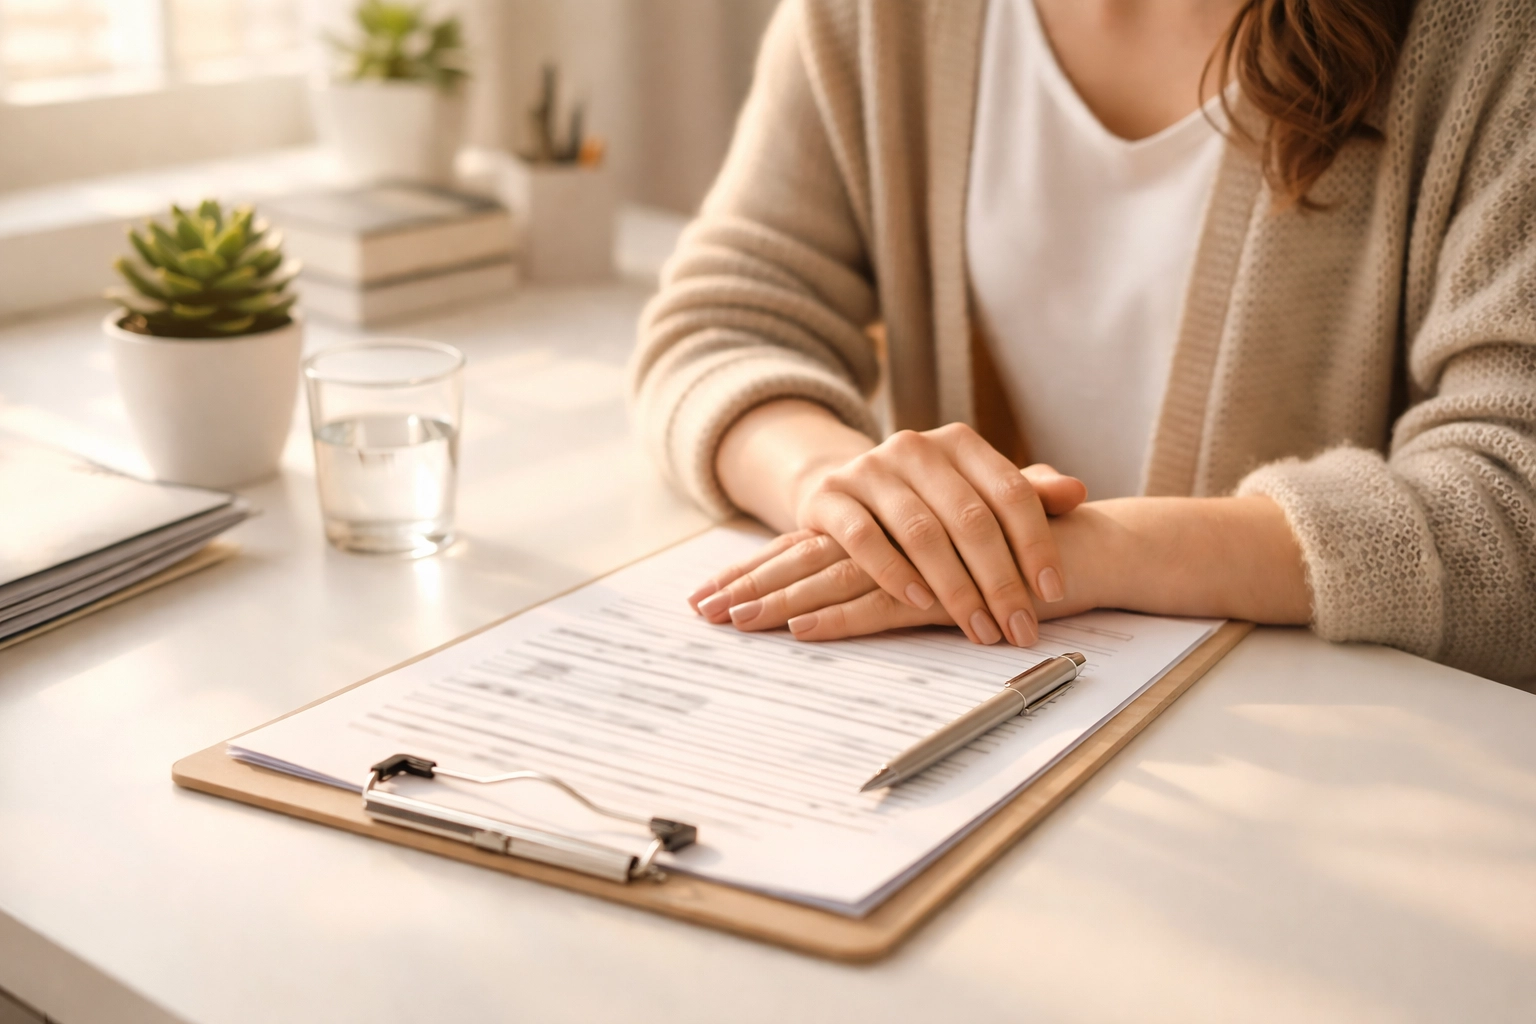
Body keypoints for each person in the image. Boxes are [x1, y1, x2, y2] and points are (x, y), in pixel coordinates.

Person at [629, 0, 1536, 685]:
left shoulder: (1491, 36)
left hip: (1336, 778)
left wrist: (1084, 554)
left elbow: (1513, 500)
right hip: (980, 717)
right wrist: (848, 493)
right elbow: (724, 318)